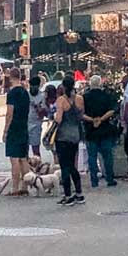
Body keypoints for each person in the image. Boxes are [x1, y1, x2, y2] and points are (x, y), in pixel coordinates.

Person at [83, 74, 120, 188]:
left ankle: (94, 180)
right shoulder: (107, 95)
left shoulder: (85, 97)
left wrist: (92, 120)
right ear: (101, 84)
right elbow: (112, 110)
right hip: (105, 129)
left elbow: (81, 113)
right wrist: (102, 119)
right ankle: (110, 178)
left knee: (92, 156)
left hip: (90, 130)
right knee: (107, 156)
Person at [54, 74, 85, 205]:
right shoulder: (79, 99)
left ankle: (68, 195)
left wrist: (55, 115)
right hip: (75, 134)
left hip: (63, 136)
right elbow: (81, 115)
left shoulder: (61, 100)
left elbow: (59, 119)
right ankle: (79, 193)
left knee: (64, 165)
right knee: (72, 164)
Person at [2, 67, 31, 196]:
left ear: (10, 77)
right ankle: (26, 185)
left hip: (14, 127)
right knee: (23, 158)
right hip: (24, 125)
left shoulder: (12, 93)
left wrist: (5, 130)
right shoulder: (25, 92)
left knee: (14, 158)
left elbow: (9, 113)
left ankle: (15, 188)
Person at [27, 76, 45, 156]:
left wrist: (37, 107)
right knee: (24, 151)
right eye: (31, 86)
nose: (33, 88)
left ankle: (38, 166)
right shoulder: (26, 94)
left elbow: (43, 114)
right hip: (25, 124)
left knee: (36, 150)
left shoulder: (42, 96)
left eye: (35, 86)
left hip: (36, 125)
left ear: (38, 86)